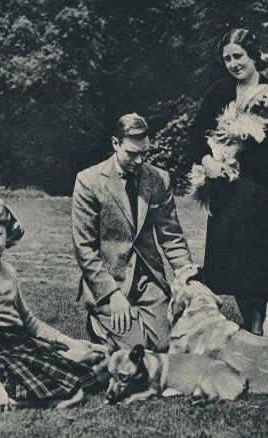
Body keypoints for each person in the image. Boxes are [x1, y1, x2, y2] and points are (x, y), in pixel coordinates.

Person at [0, 196, 105, 418]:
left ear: (8, 235)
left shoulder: (8, 271)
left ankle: (70, 356)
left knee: (94, 371)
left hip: (18, 343)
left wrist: (70, 341)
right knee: (74, 394)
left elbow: (28, 321)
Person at [187, 28, 268, 334]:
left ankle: (261, 324)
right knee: (227, 256)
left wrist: (242, 135)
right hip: (223, 182)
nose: (233, 63)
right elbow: (194, 134)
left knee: (254, 256)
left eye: (238, 56)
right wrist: (207, 161)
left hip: (257, 182)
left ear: (253, 56)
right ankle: (255, 321)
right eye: (227, 58)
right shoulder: (219, 92)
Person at [72, 113, 199, 352]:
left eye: (145, 153)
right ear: (115, 143)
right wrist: (112, 294)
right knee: (138, 351)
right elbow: (84, 249)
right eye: (132, 153)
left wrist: (187, 275)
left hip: (148, 280)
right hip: (110, 281)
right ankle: (98, 322)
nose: (140, 160)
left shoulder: (159, 179)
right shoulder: (88, 181)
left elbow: (171, 236)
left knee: (165, 346)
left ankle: (131, 325)